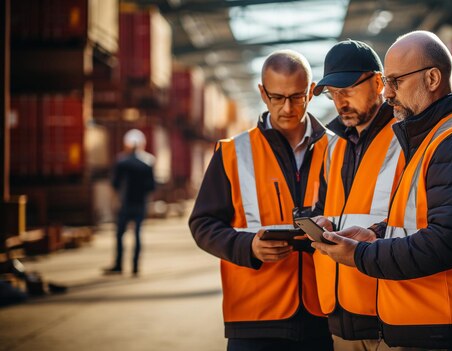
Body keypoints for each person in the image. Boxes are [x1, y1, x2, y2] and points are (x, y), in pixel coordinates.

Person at [310, 31, 452, 350]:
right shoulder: (431, 138)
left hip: (443, 324)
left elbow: (447, 241)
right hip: (423, 320)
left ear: (432, 78)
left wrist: (360, 254)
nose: (388, 93)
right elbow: (417, 221)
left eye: (396, 81)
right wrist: (376, 233)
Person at [188, 50, 333, 351]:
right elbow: (202, 224)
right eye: (277, 97)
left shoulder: (338, 149)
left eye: (296, 97)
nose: (287, 108)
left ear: (311, 91)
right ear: (262, 93)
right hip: (254, 318)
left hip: (324, 314)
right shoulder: (231, 153)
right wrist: (248, 247)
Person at [310, 39, 404, 350]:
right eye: (333, 94)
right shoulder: (333, 144)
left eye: (347, 90)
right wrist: (322, 219)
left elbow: (420, 215)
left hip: (389, 311)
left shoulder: (407, 137)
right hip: (340, 310)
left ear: (378, 83)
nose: (340, 102)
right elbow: (330, 204)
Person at [104, 129, 155, 276]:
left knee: (120, 234)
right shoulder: (148, 162)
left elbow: (115, 184)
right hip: (140, 204)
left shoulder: (121, 161)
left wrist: (115, 201)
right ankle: (135, 267)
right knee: (138, 234)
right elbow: (151, 187)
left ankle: (119, 265)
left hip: (125, 203)